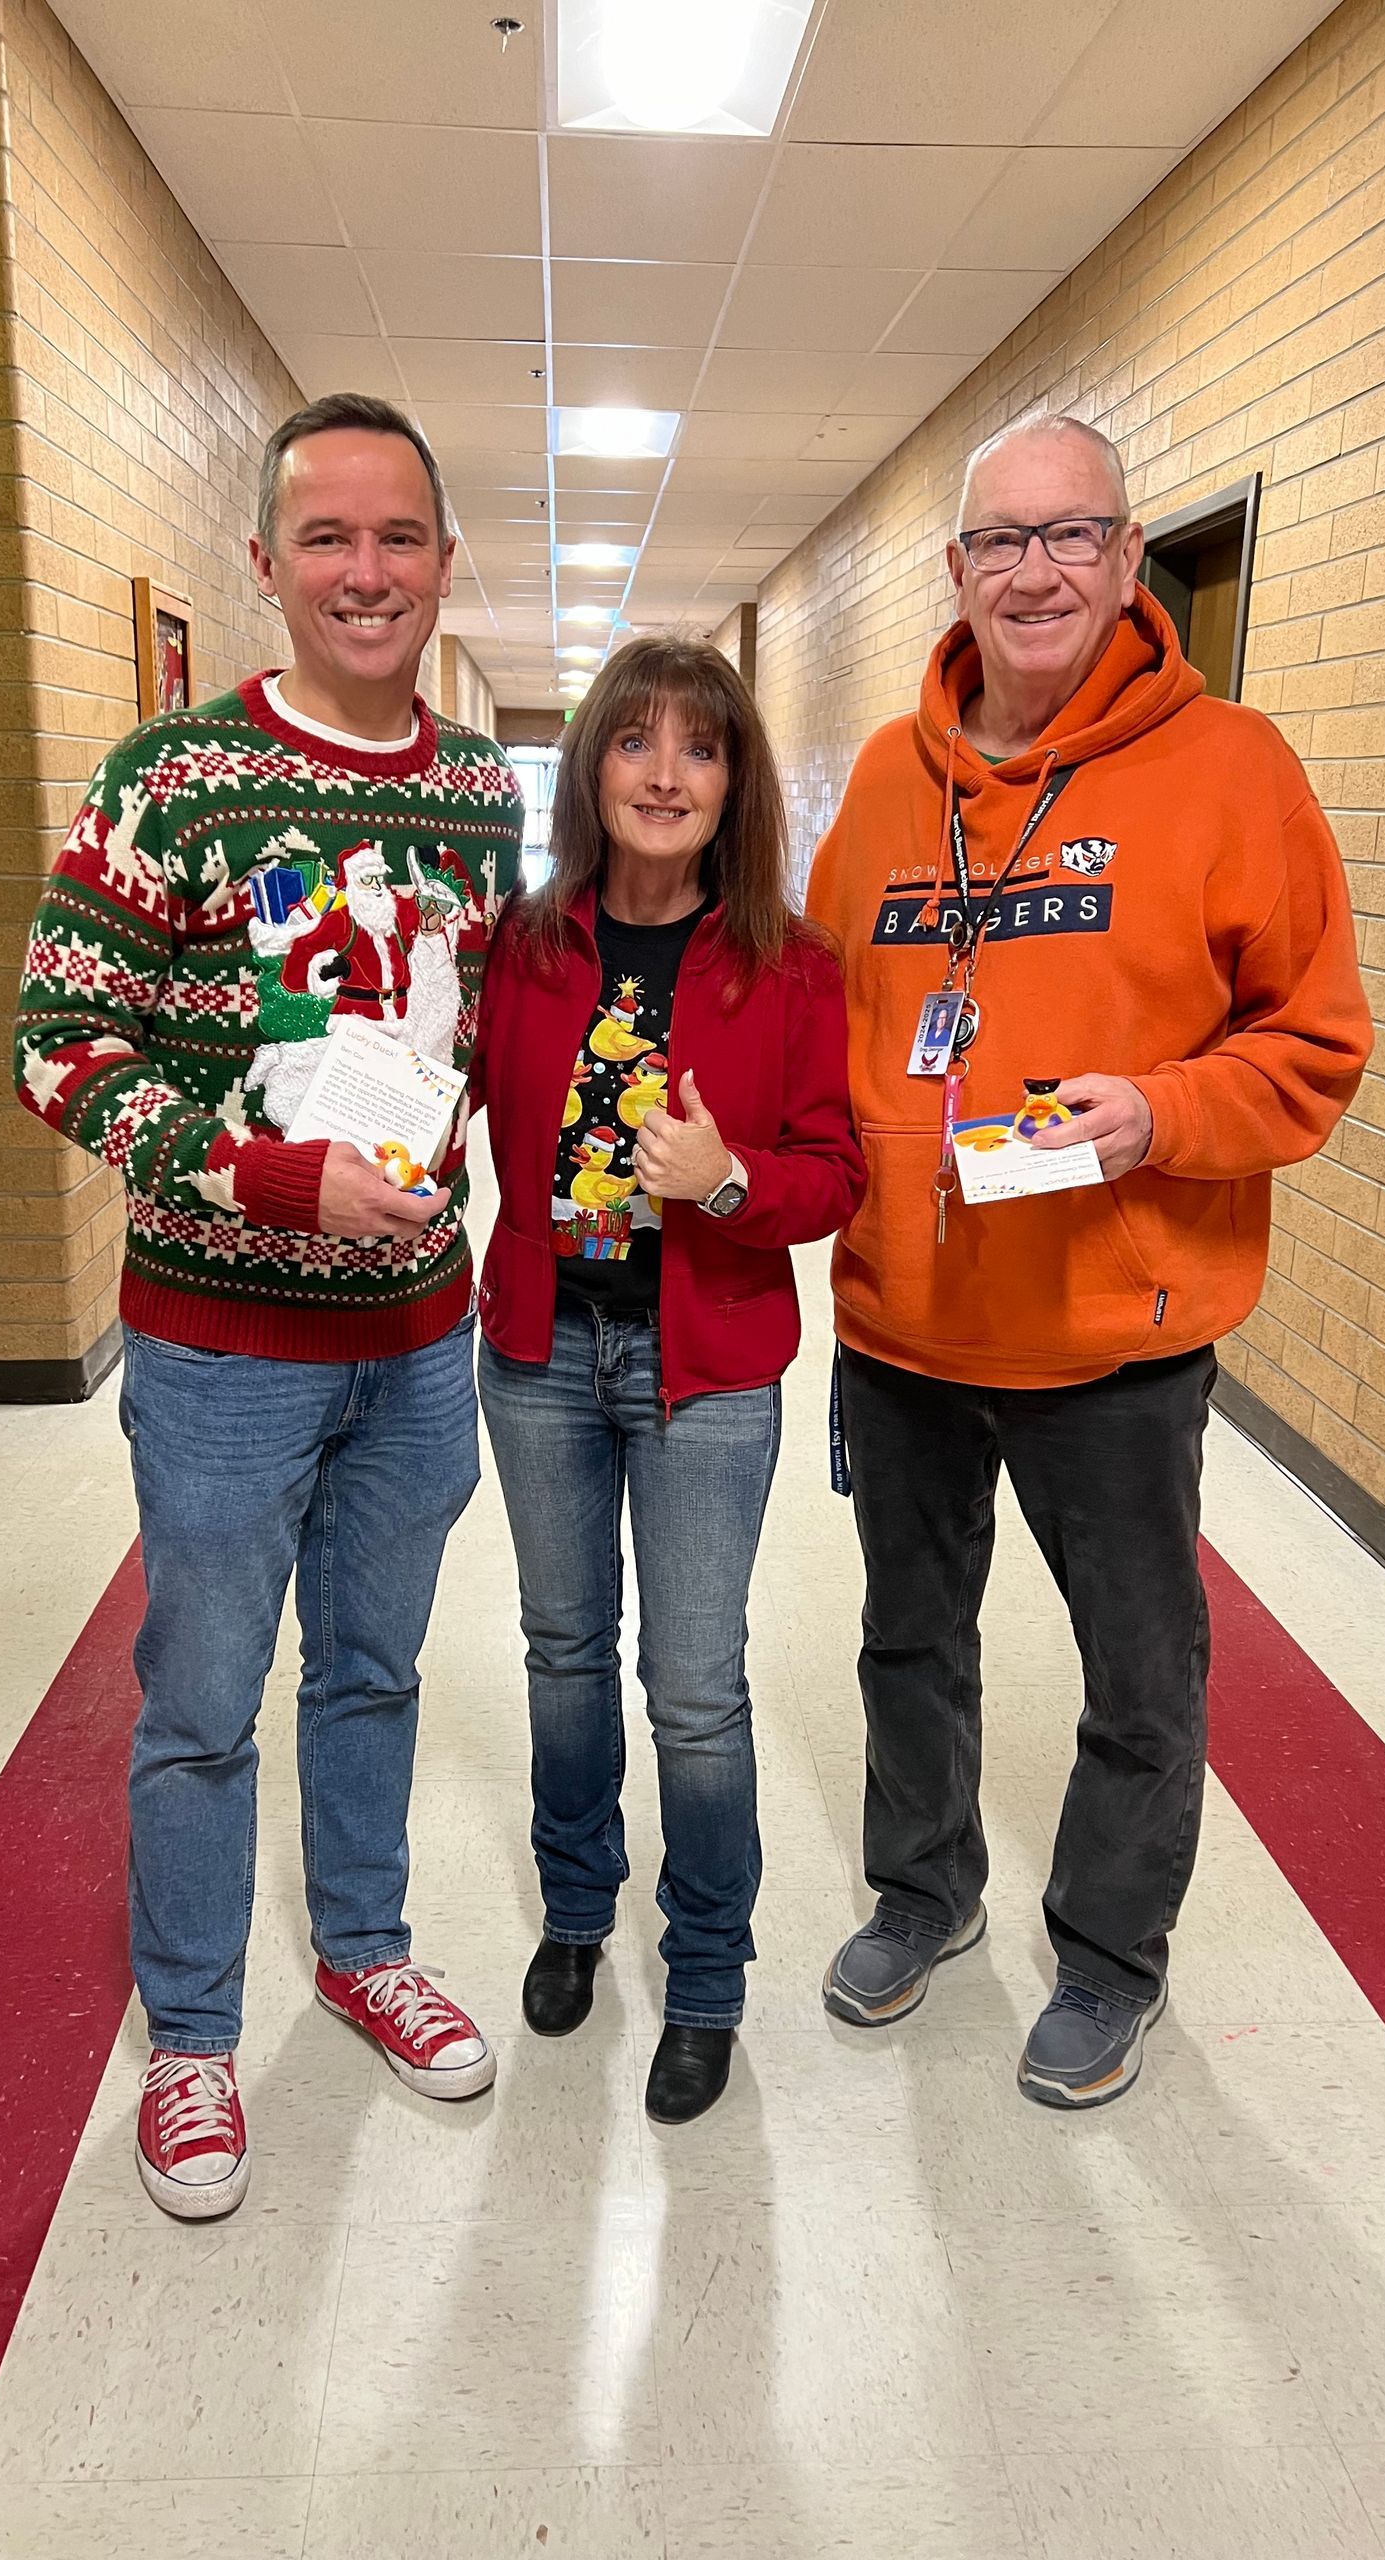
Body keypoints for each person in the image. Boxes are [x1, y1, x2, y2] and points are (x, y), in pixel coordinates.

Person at [808, 414, 1372, 2108]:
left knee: (1141, 1669)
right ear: (959, 570)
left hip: (1113, 1338)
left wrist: (1166, 1114)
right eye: (1002, 541)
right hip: (909, 1321)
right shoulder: (893, 781)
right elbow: (820, 1010)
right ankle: (927, 1893)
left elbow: (1319, 1045)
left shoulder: (1235, 771)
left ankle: (1114, 1956)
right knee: (911, 1640)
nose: (1036, 571)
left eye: (1074, 537)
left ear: (1132, 565)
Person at [13, 393, 525, 2218]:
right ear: (267, 564)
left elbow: (486, 1038)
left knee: (375, 1671)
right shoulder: (173, 779)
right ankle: (194, 2039)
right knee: (205, 1696)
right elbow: (57, 1047)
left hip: (418, 1343)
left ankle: (362, 1943)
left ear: (444, 563)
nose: (366, 572)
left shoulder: (476, 793)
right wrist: (255, 1172)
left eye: (400, 539)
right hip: (222, 1345)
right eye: (329, 538)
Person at [474, 636, 864, 2124]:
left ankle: (705, 1976)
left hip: (704, 1371)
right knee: (562, 1649)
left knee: (692, 1687)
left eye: (697, 749)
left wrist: (725, 1181)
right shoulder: (528, 945)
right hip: (542, 1352)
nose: (662, 773)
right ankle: (579, 1913)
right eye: (632, 743)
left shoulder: (793, 964)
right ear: (590, 773)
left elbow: (834, 1174)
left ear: (733, 784)